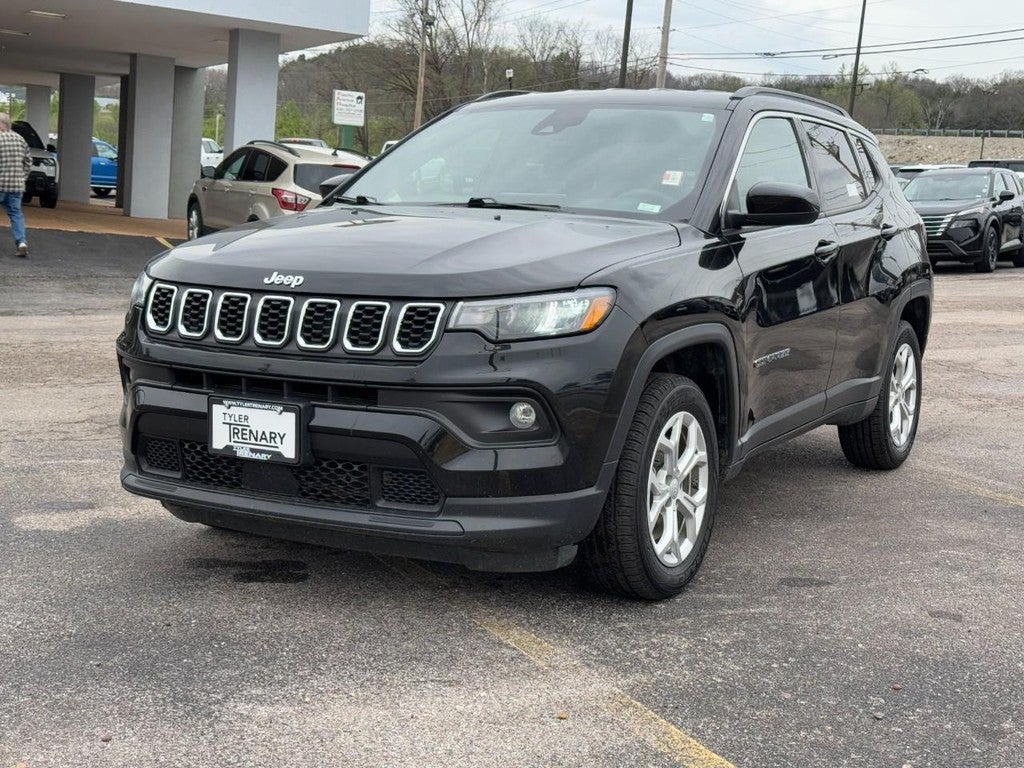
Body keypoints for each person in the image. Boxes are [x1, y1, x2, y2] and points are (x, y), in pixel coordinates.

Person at [0, 112, 31, 258]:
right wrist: (22, 177)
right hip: (16, 185)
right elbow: (28, 161)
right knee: (16, 214)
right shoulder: (20, 139)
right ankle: (21, 242)